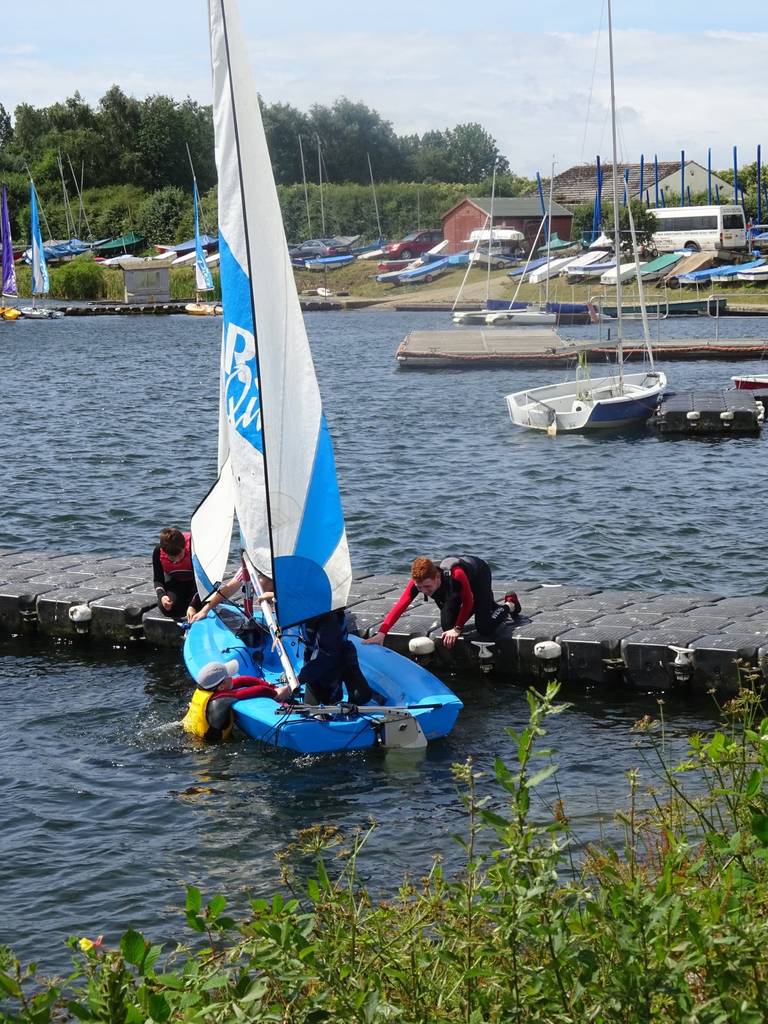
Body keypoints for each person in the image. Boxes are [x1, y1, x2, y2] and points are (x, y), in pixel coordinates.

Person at [365, 555, 520, 650]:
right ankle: (484, 606)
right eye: (420, 588)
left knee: (484, 627)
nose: (424, 591)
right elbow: (400, 605)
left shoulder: (456, 575)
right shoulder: (418, 582)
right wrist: (381, 633)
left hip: (478, 575)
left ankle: (510, 604)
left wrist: (458, 628)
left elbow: (467, 601)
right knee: (447, 628)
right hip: (455, 591)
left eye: (427, 586)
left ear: (437, 577)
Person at [182, 660, 292, 743]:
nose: (233, 677)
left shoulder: (207, 689)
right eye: (229, 676)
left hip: (189, 732)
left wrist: (270, 685)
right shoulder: (220, 700)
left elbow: (242, 680)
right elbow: (258, 691)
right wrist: (276, 694)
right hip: (205, 744)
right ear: (221, 686)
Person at [152, 527, 202, 620]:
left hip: (197, 582)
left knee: (200, 606)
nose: (177, 560)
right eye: (172, 558)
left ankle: (192, 602)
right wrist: (162, 596)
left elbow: (203, 581)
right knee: (167, 609)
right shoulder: (158, 551)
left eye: (180, 555)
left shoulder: (194, 548)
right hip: (176, 580)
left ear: (184, 548)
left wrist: (193, 605)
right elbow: (158, 579)